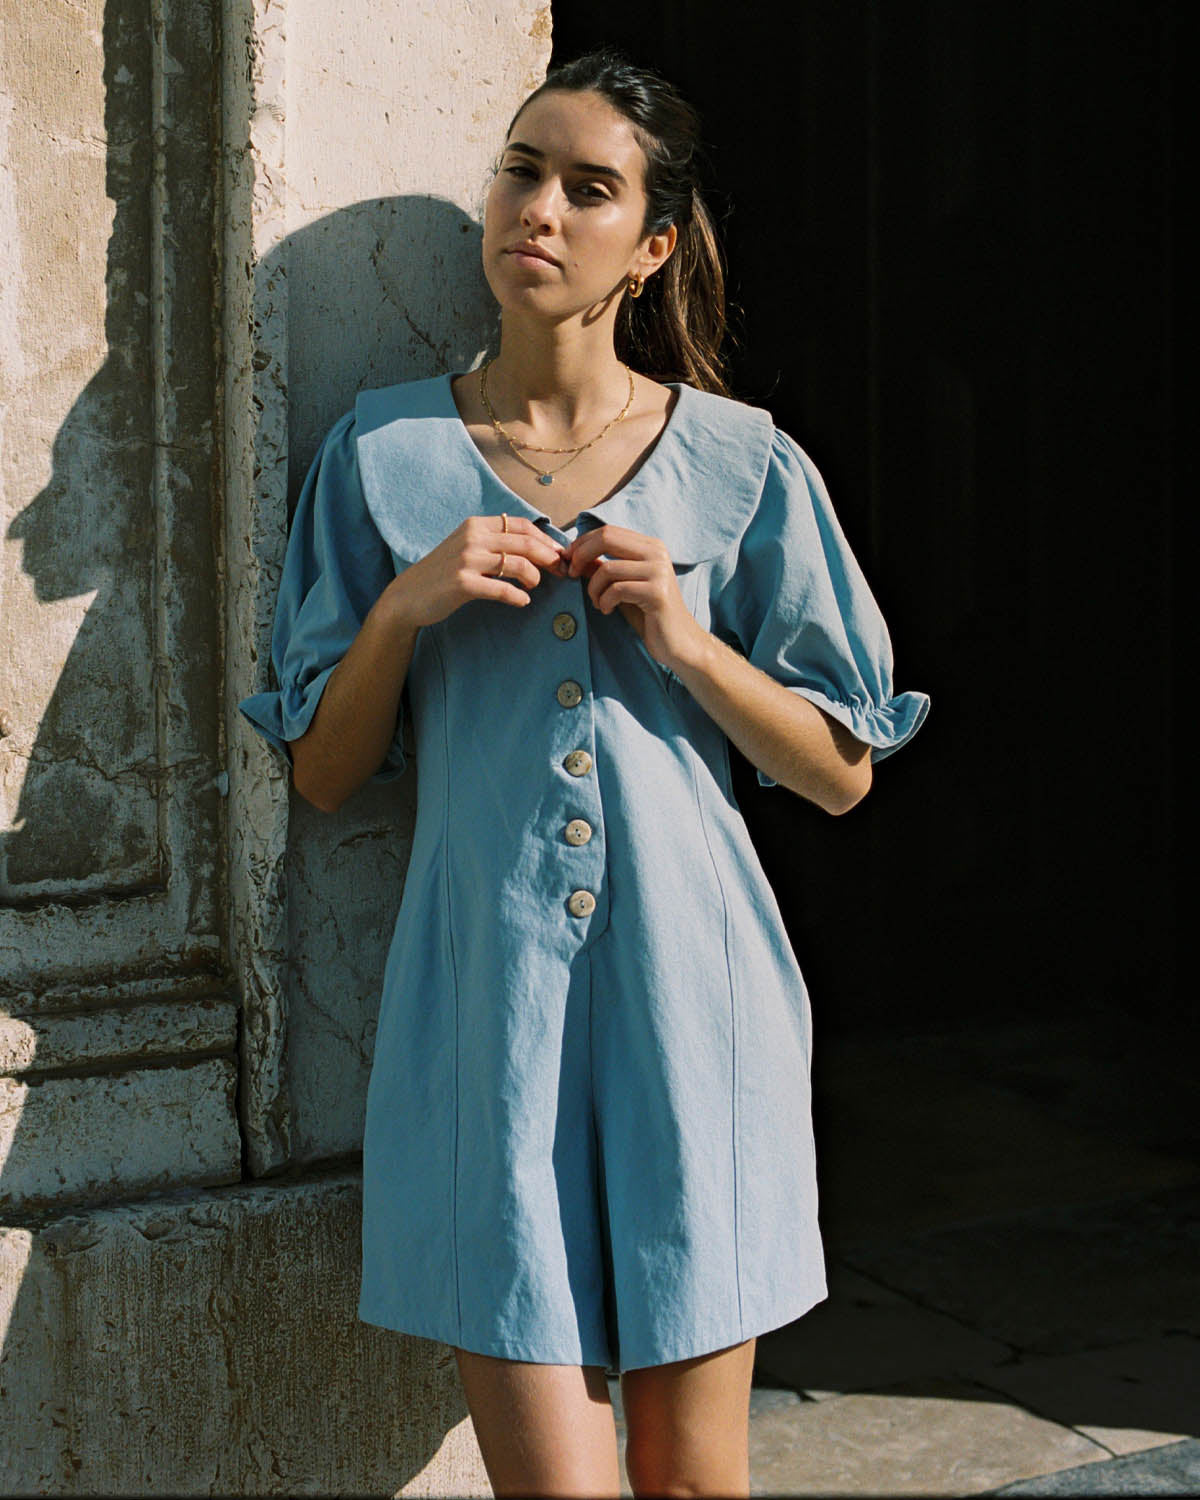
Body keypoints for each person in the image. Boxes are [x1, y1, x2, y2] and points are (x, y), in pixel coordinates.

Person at [239, 48, 928, 1499]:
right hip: (487, 1018)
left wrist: (685, 636)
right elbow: (321, 774)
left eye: (588, 188)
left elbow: (841, 774)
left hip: (699, 1003)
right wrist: (404, 610)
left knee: (689, 1484)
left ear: (652, 245)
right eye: (520, 170)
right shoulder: (383, 456)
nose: (538, 209)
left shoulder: (746, 466)